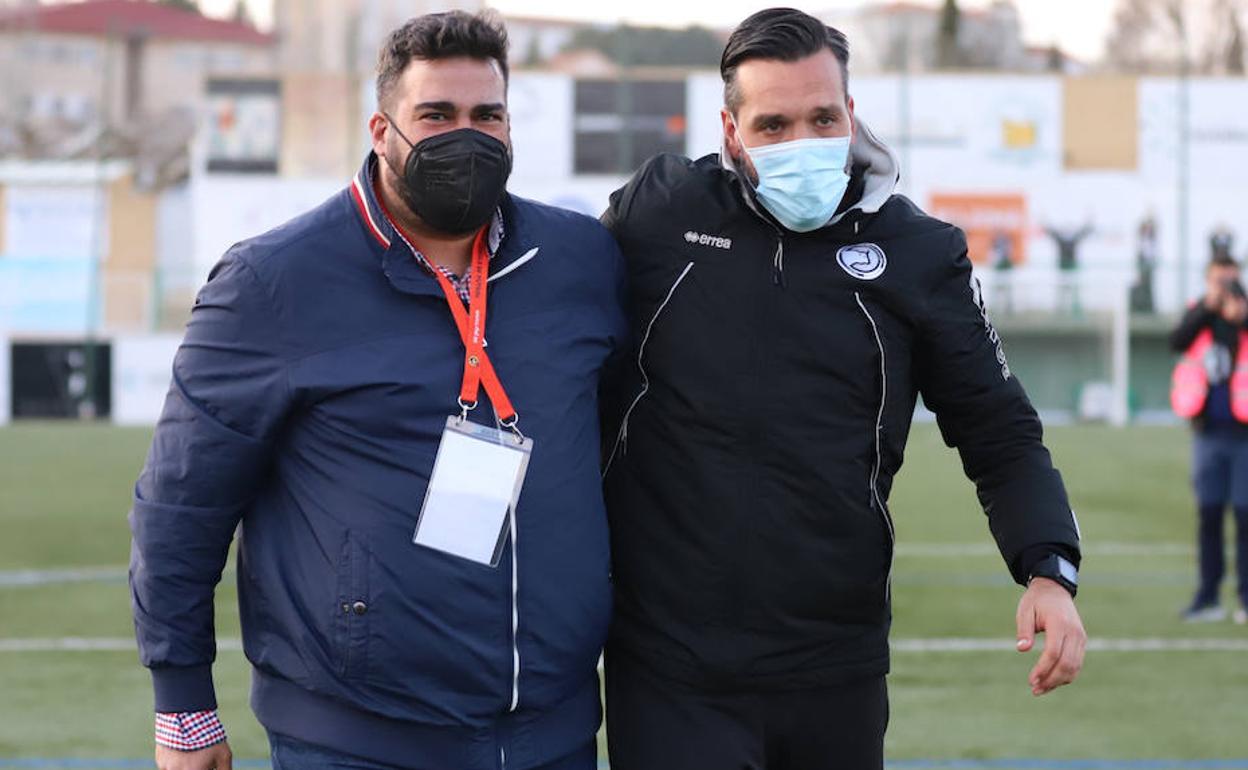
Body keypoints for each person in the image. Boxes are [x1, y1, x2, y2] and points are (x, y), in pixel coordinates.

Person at [129, 11, 627, 770]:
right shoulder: (275, 282)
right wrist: (183, 704)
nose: (465, 136)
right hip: (355, 740)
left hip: (551, 734)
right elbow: (182, 502)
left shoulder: (578, 260)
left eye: (486, 115)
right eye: (436, 115)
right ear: (381, 128)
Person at [600, 9, 1086, 769]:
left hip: (836, 665)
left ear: (852, 115)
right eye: (774, 125)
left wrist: (1048, 568)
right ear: (732, 134)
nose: (803, 143)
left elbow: (998, 428)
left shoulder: (920, 254)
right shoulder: (660, 214)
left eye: (823, 118)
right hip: (670, 667)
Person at [1170, 253, 1248, 625]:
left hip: (1244, 435)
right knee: (1210, 514)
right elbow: (1178, 339)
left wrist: (1240, 317)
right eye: (1218, 280)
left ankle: (1246, 599)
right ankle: (1208, 597)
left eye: (1231, 279)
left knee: (1246, 515)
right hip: (1207, 433)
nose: (1225, 287)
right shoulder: (1199, 315)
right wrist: (1209, 307)